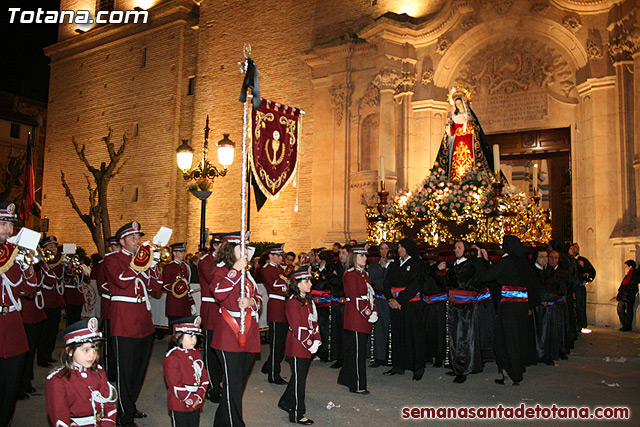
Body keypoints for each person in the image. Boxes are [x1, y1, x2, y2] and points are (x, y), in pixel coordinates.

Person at [104, 221, 163, 426]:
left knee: (139, 369)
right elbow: (121, 280)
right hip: (124, 319)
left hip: (143, 319)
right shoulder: (112, 259)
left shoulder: (141, 260)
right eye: (133, 238)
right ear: (122, 241)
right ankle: (123, 415)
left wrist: (153, 264)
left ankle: (130, 405)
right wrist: (139, 263)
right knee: (125, 370)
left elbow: (156, 286)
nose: (137, 241)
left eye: (138, 237)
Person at [210, 232, 262, 427]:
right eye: (242, 247)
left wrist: (250, 301)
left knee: (237, 385)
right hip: (228, 334)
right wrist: (235, 270)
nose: (246, 251)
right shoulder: (221, 270)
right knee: (232, 384)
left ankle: (221, 422)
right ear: (230, 250)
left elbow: (258, 298)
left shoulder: (247, 274)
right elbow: (219, 293)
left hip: (248, 332)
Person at [477, 235, 537, 386]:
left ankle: (511, 372)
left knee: (505, 339)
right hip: (522, 307)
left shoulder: (506, 262)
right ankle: (517, 370)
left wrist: (480, 260)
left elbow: (486, 276)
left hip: (509, 308)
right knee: (518, 338)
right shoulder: (523, 262)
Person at [0, 202, 38, 427]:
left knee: (9, 388)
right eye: (3, 224)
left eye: (10, 225)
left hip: (13, 327)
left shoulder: (14, 255)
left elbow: (30, 288)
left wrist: (25, 264)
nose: (8, 230)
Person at [45, 317, 117, 427]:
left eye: (95, 349)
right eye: (86, 350)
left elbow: (109, 408)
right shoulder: (57, 380)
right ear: (69, 351)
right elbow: (61, 419)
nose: (92, 355)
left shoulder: (99, 373)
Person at [440, 242, 488, 383]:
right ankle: (457, 366)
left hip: (466, 307)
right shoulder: (456, 265)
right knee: (455, 336)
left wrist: (449, 274)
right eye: (455, 247)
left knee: (465, 338)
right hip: (455, 305)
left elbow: (460, 282)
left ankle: (465, 368)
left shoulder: (470, 265)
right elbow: (446, 283)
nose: (455, 250)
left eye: (459, 248)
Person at [278, 267, 321, 425]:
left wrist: (317, 338)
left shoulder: (306, 300)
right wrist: (310, 343)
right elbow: (297, 327)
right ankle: (296, 413)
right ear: (297, 284)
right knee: (299, 380)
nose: (310, 283)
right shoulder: (292, 302)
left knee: (299, 376)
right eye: (306, 281)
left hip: (307, 343)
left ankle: (285, 401)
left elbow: (313, 321)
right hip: (298, 344)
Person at [383, 238, 425, 380]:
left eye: (401, 247)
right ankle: (398, 365)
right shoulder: (395, 264)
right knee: (397, 334)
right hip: (395, 304)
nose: (399, 249)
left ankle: (417, 367)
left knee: (413, 335)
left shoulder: (417, 264)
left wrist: (398, 300)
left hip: (409, 305)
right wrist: (390, 298)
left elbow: (415, 285)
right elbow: (386, 282)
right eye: (398, 247)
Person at [338, 244, 377, 394]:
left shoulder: (363, 274)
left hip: (363, 316)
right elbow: (355, 298)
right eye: (362, 256)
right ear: (355, 257)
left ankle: (345, 378)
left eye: (365, 255)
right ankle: (358, 385)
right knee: (358, 353)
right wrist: (369, 313)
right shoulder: (350, 274)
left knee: (355, 350)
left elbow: (369, 296)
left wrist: (373, 310)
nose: (365, 258)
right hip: (356, 317)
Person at [433, 87, 494, 181]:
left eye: (459, 103)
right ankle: (456, 180)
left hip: (468, 141)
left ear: (463, 103)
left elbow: (475, 129)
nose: (458, 105)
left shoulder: (469, 116)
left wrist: (466, 123)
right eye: (456, 104)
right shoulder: (454, 117)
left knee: (468, 161)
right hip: (457, 143)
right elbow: (452, 132)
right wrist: (449, 130)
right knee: (456, 162)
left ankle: (469, 178)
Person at [163, 316, 209, 427]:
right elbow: (174, 383)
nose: (194, 340)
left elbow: (204, 377)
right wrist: (191, 398)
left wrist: (199, 395)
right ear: (178, 336)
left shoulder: (196, 354)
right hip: (179, 402)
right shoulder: (172, 357)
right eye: (190, 336)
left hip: (196, 400)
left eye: (195, 336)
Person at [198, 233, 223, 403]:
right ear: (215, 245)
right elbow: (214, 279)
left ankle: (218, 383)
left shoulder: (222, 262)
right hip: (211, 307)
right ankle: (211, 387)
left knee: (220, 348)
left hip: (222, 308)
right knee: (210, 351)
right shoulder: (206, 261)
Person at [260, 244, 289, 384]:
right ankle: (273, 374)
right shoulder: (267, 269)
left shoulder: (280, 269)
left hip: (284, 307)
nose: (281, 258)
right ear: (271, 256)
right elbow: (276, 285)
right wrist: (288, 282)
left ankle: (269, 366)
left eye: (281, 255)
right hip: (276, 307)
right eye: (278, 255)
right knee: (277, 343)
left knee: (282, 343)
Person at [93, 236, 120, 381]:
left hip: (120, 309)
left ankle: (119, 368)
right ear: (110, 248)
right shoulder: (103, 264)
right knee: (109, 342)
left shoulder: (122, 262)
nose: (119, 249)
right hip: (109, 307)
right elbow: (102, 286)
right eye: (116, 246)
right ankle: (110, 371)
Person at [39, 235, 67, 366]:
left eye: (55, 246)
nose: (54, 249)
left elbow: (61, 277)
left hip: (56, 300)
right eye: (51, 246)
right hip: (45, 300)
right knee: (44, 331)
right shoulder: (42, 261)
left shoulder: (57, 261)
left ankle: (48, 354)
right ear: (44, 248)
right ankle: (42, 356)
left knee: (53, 330)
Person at [367, 242, 394, 367]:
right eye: (382, 249)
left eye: (386, 249)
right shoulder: (374, 264)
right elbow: (372, 279)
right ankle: (379, 357)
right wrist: (381, 268)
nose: (384, 251)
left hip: (392, 299)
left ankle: (392, 357)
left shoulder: (395, 264)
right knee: (379, 328)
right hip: (379, 299)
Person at [421, 247, 448, 368]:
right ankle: (427, 354)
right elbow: (423, 277)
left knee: (439, 330)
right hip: (425, 301)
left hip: (438, 301)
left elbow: (443, 282)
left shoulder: (441, 266)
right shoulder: (423, 267)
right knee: (426, 329)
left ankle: (439, 356)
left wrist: (438, 271)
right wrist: (434, 269)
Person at [162, 243, 195, 327]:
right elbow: (165, 285)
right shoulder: (169, 267)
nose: (183, 253)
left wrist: (191, 303)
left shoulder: (186, 267)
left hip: (185, 304)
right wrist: (178, 286)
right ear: (174, 253)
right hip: (174, 304)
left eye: (184, 251)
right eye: (180, 251)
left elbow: (187, 287)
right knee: (174, 329)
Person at [570, 243, 596, 332]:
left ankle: (581, 324)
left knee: (581, 306)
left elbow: (592, 271)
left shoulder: (583, 260)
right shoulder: (569, 261)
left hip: (580, 288)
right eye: (574, 247)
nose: (576, 249)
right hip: (572, 288)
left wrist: (588, 280)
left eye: (578, 247)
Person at [617, 260, 638, 332]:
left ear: (630, 266)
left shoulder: (634, 273)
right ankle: (625, 325)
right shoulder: (628, 274)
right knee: (620, 309)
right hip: (624, 295)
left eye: (626, 266)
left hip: (629, 295)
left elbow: (632, 284)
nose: (625, 268)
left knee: (628, 311)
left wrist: (627, 290)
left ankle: (627, 326)